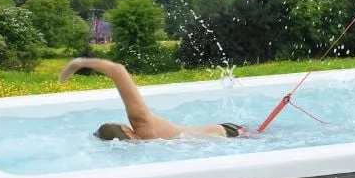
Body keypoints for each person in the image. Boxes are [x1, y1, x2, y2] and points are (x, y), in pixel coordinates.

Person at [58, 57, 249, 141]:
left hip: (226, 141)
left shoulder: (148, 147)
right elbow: (118, 71)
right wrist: (80, 63)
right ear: (127, 130)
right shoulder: (143, 128)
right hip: (231, 133)